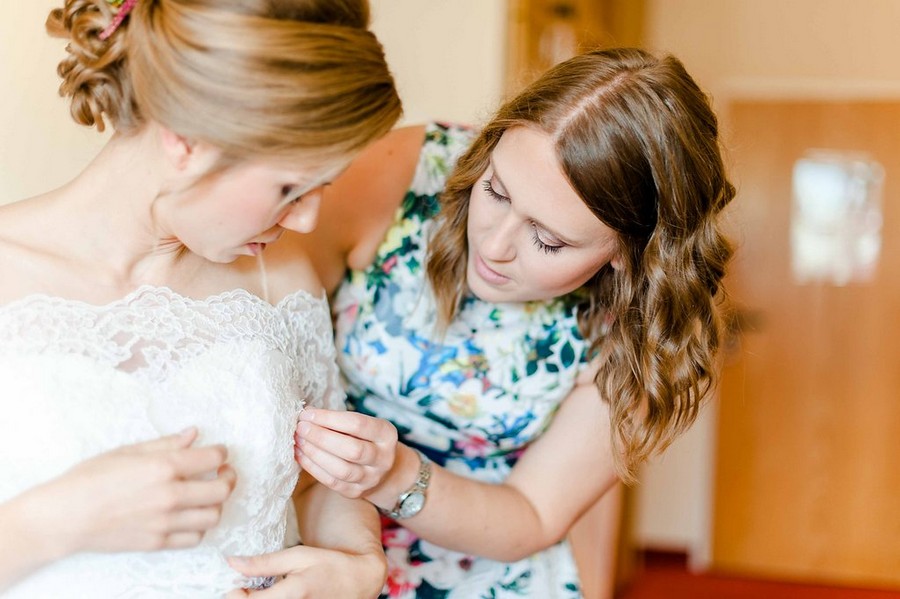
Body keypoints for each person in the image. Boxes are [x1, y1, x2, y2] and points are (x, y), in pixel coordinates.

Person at [285, 47, 735, 598]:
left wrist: (392, 475)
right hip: (315, 542)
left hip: (485, 576)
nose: (493, 246)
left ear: (628, 252)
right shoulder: (407, 169)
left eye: (548, 240)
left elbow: (532, 514)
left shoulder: (640, 327)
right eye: (496, 190)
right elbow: (276, 311)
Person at [0, 0, 400, 597]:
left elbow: (317, 483)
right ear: (185, 140)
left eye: (324, 187)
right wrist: (60, 519)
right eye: (290, 186)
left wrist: (357, 563)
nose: (310, 221)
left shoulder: (283, 276)